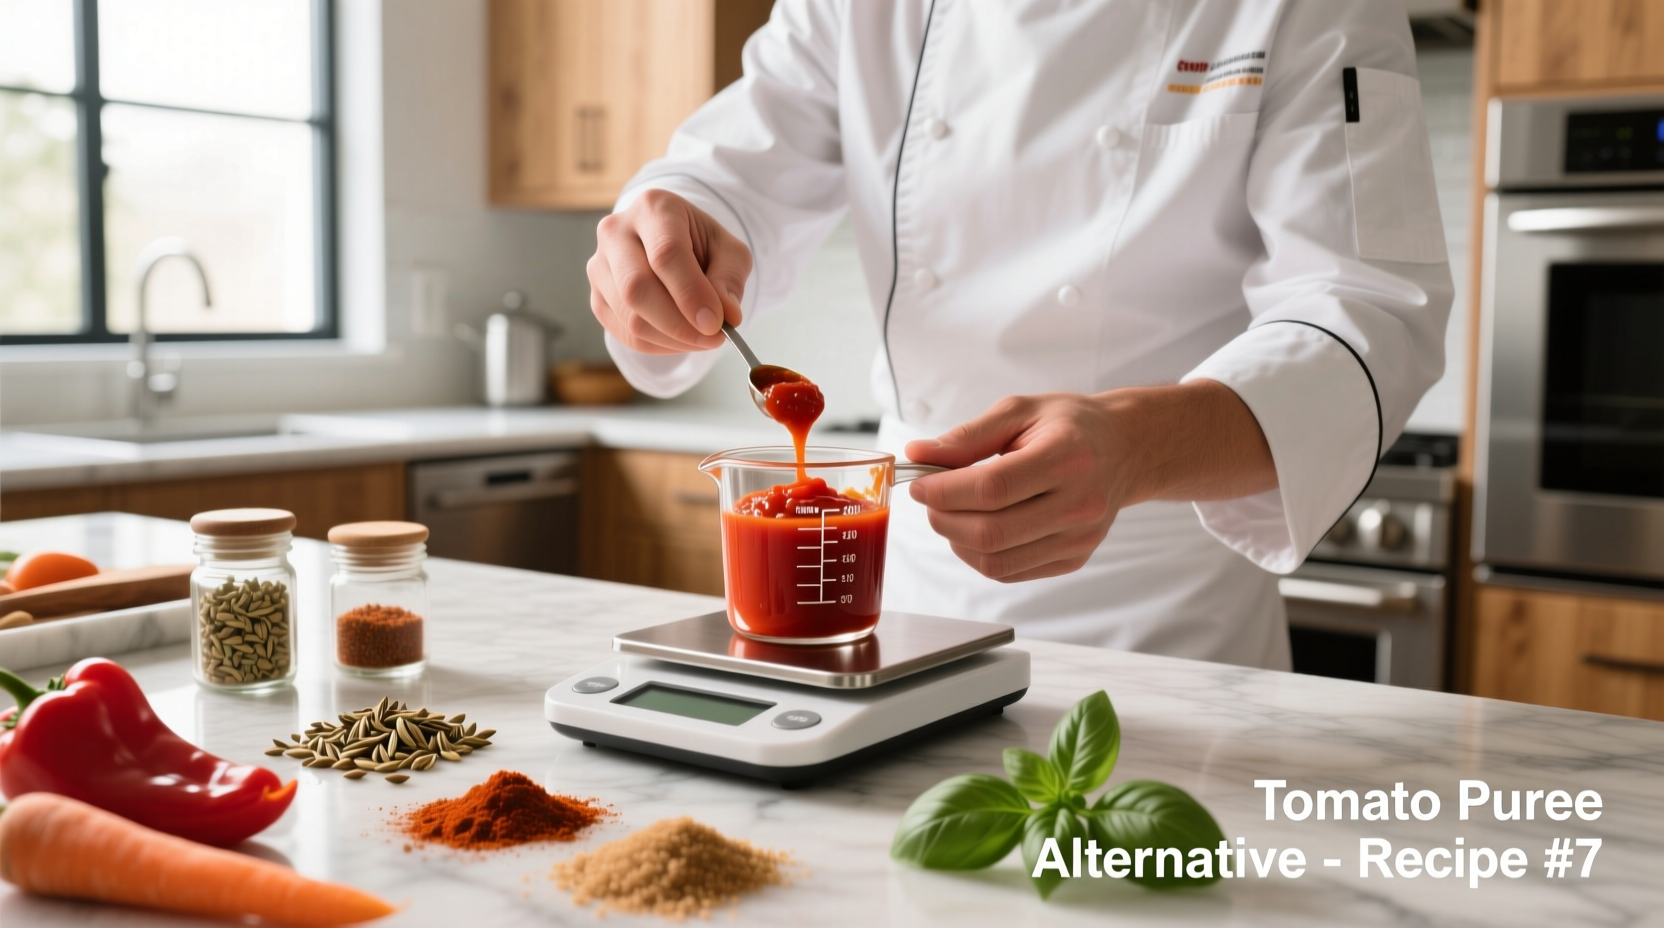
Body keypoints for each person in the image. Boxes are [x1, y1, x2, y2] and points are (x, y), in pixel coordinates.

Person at [586, 1, 1452, 669]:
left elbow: (1367, 308)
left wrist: (1136, 448)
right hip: (901, 603)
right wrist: (666, 235)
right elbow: (729, 173)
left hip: (1163, 629)